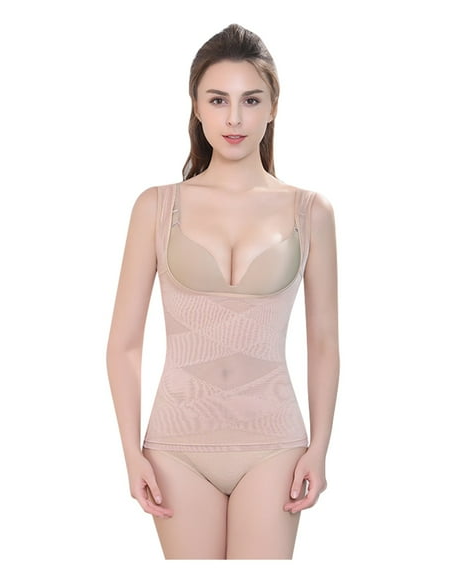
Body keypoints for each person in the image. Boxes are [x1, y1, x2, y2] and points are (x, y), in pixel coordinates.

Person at [106, 23, 339, 560]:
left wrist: (320, 448)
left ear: (273, 107)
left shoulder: (310, 211)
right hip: (176, 445)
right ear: (196, 106)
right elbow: (124, 345)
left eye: (250, 100)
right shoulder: (156, 206)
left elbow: (324, 342)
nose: (234, 118)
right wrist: (130, 453)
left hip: (274, 443)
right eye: (218, 100)